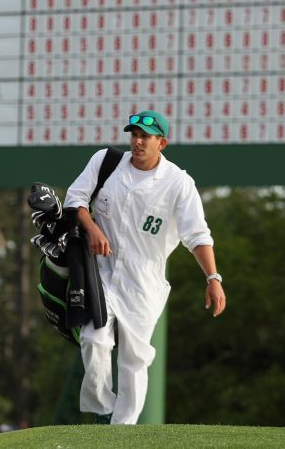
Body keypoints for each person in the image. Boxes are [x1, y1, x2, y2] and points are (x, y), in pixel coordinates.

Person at [64, 110, 227, 424]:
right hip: (102, 270)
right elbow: (75, 199)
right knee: (93, 338)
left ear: (161, 142)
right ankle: (104, 411)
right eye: (134, 135)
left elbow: (197, 234)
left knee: (134, 359)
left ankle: (123, 431)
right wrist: (93, 229)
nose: (137, 142)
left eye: (145, 137)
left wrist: (213, 277)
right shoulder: (106, 162)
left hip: (144, 280)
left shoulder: (178, 183)